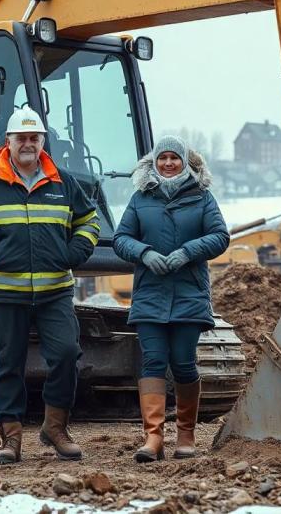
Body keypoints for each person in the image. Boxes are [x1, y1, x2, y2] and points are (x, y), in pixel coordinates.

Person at [0, 106, 100, 465]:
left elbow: (89, 220)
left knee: (65, 354)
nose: (28, 144)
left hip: (54, 291)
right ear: (9, 142)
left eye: (34, 138)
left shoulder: (63, 181)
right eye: (22, 138)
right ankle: (10, 438)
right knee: (8, 363)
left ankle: (55, 428)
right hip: (5, 293)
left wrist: (75, 250)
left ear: (43, 142)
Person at [113, 135, 229, 462]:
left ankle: (186, 435)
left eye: (173, 158)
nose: (167, 163)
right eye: (161, 158)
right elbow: (122, 239)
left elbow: (220, 237)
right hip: (150, 295)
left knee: (182, 362)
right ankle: (153, 439)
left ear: (184, 162)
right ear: (153, 162)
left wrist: (187, 253)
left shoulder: (202, 198)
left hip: (188, 294)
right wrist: (144, 253)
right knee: (152, 361)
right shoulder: (140, 198)